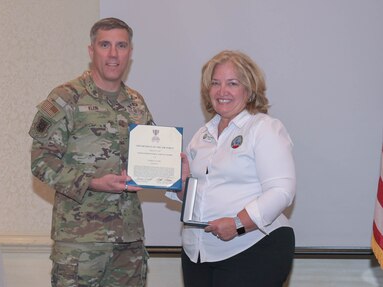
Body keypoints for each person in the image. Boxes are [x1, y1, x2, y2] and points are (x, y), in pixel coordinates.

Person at [28, 17, 154, 287]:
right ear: (91, 51)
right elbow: (41, 162)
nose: (113, 54)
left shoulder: (136, 103)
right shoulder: (65, 98)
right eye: (105, 45)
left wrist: (172, 169)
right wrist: (93, 183)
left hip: (128, 243)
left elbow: (153, 155)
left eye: (121, 46)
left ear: (130, 53)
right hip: (79, 245)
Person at [167, 50, 296, 287]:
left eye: (232, 83)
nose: (221, 91)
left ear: (249, 90)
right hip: (198, 251)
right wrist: (183, 186)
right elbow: (199, 195)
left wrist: (238, 224)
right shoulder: (202, 135)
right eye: (215, 83)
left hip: (252, 247)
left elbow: (281, 191)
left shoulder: (264, 128)